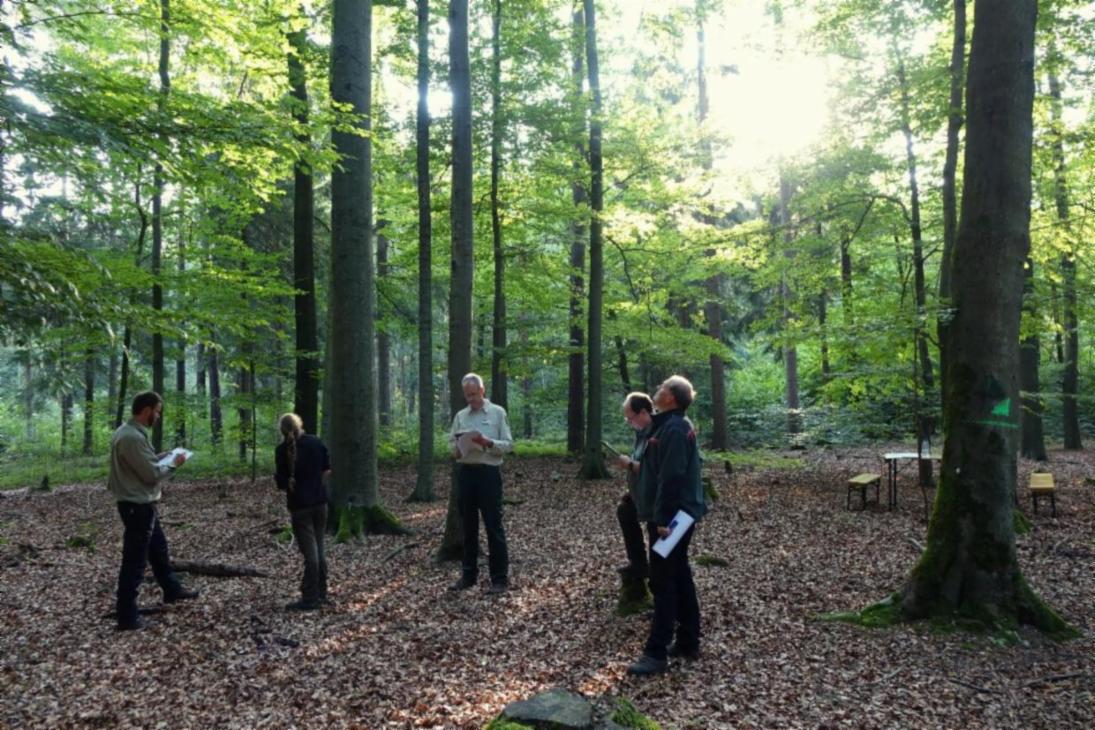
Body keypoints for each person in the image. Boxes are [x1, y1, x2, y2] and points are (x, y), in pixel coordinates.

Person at [627, 375, 708, 675]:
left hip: (674, 518)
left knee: (663, 580)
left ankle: (656, 652)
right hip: (674, 515)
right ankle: (688, 640)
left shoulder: (675, 428)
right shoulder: (668, 425)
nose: (656, 391)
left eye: (661, 388)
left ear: (671, 398)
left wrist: (662, 519)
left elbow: (671, 477)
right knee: (679, 574)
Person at [108, 391, 196, 631]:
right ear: (146, 410)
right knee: (135, 561)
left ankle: (172, 589)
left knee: (158, 549)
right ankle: (127, 616)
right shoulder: (132, 437)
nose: (157, 416)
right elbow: (151, 474)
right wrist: (174, 464)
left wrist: (161, 457)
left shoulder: (128, 433)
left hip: (140, 504)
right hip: (137, 505)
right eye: (156, 411)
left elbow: (142, 463)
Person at [449, 373, 514, 594]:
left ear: (482, 390)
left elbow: (508, 444)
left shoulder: (497, 413)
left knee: (493, 526)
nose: (471, 399)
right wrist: (458, 449)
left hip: (489, 474)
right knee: (468, 527)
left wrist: (488, 442)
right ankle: (469, 575)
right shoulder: (460, 416)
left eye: (474, 394)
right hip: (466, 473)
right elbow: (452, 446)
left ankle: (499, 578)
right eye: (468, 396)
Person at [274, 413, 332, 611]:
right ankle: (321, 592)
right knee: (320, 550)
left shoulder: (282, 450)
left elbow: (281, 483)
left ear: (282, 430)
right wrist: (317, 484)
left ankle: (310, 597)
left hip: (300, 507)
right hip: (320, 503)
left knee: (312, 555)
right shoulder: (315, 442)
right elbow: (327, 470)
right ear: (299, 425)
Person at [614, 392, 654, 581]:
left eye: (630, 418)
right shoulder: (641, 434)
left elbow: (653, 469)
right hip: (641, 493)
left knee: (660, 549)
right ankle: (638, 564)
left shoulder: (656, 433)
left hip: (657, 499)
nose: (629, 422)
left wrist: (629, 464)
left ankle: (660, 590)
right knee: (625, 510)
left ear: (644, 412)